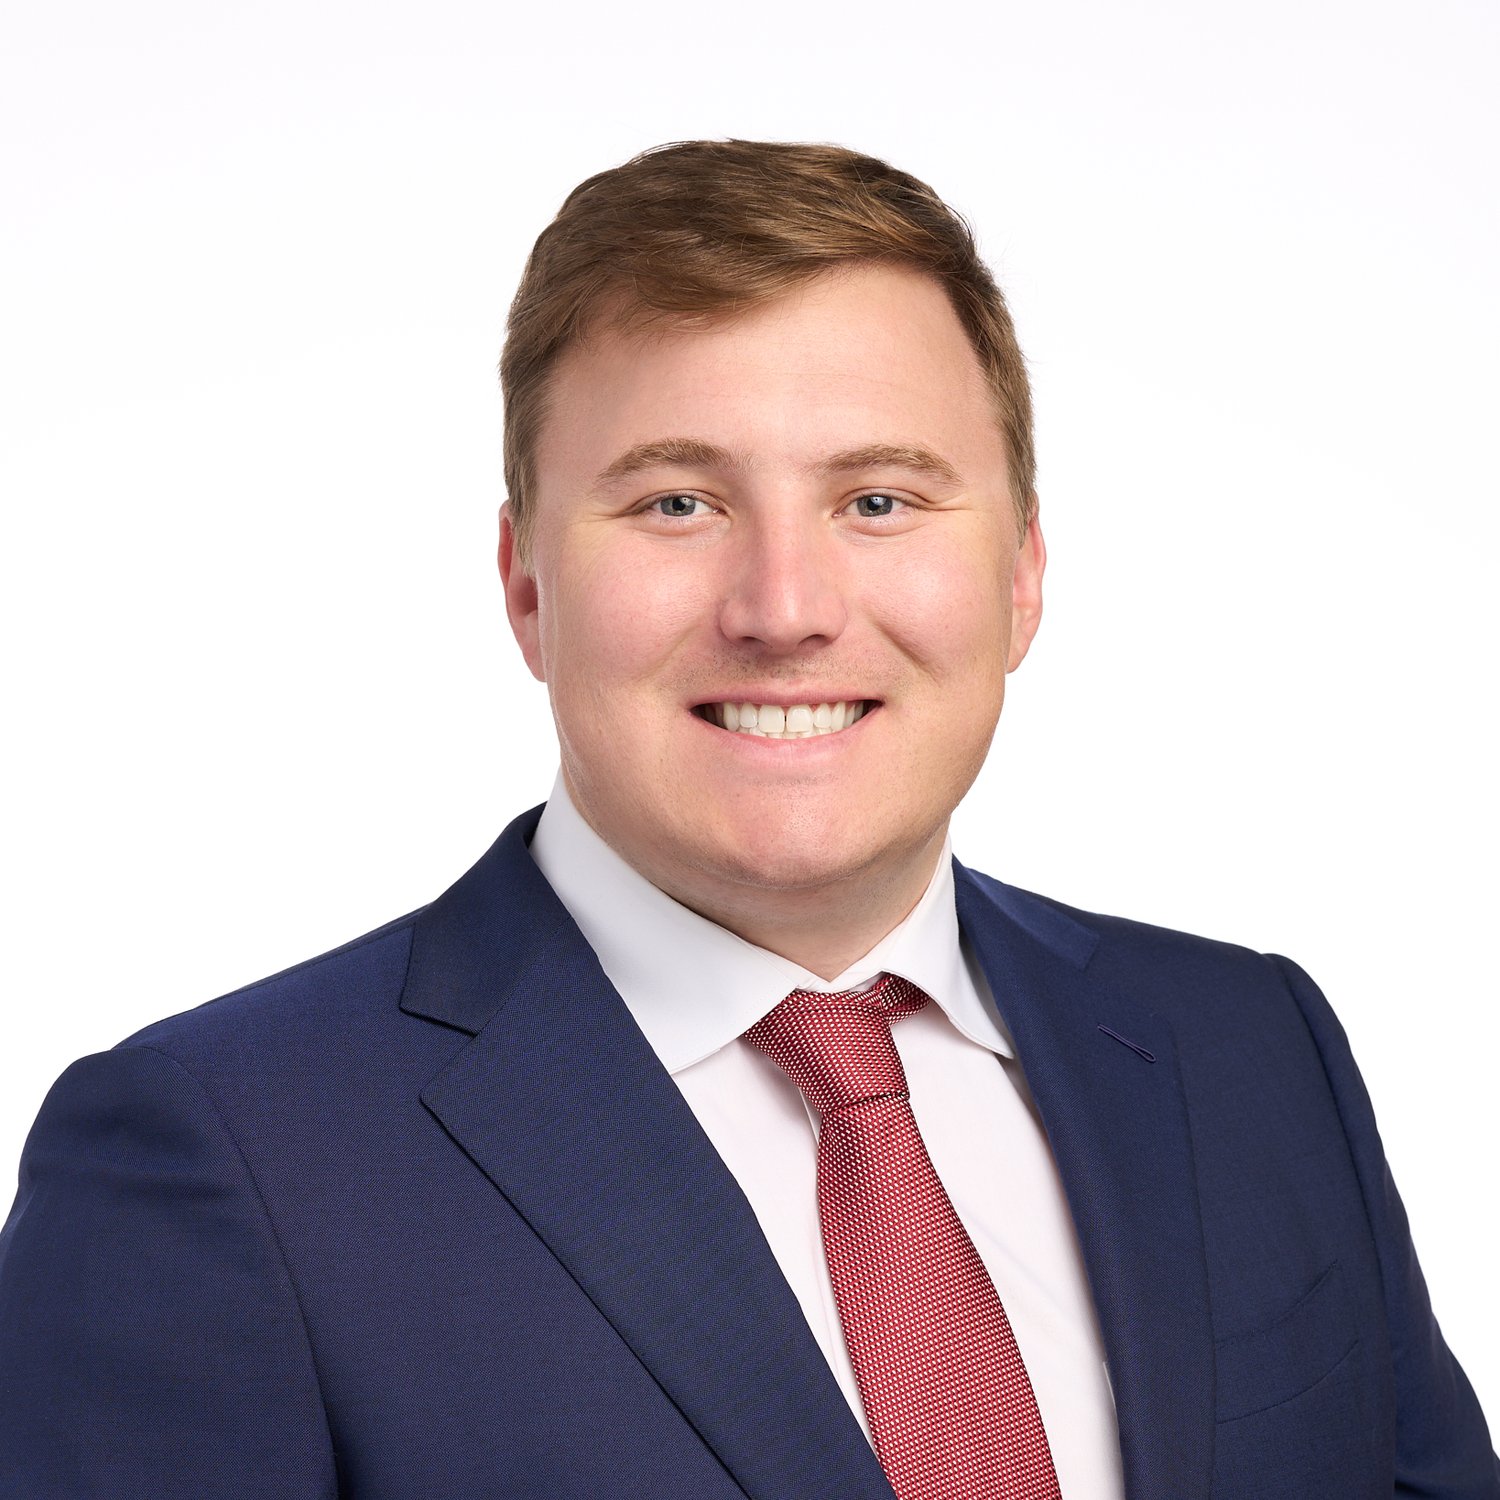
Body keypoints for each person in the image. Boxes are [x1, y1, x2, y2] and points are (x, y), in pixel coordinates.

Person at [0, 138, 1494, 1500]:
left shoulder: (1251, 1049)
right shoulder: (220, 1160)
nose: (785, 610)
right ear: (526, 586)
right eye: (676, 504)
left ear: (1023, 575)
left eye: (880, 501)